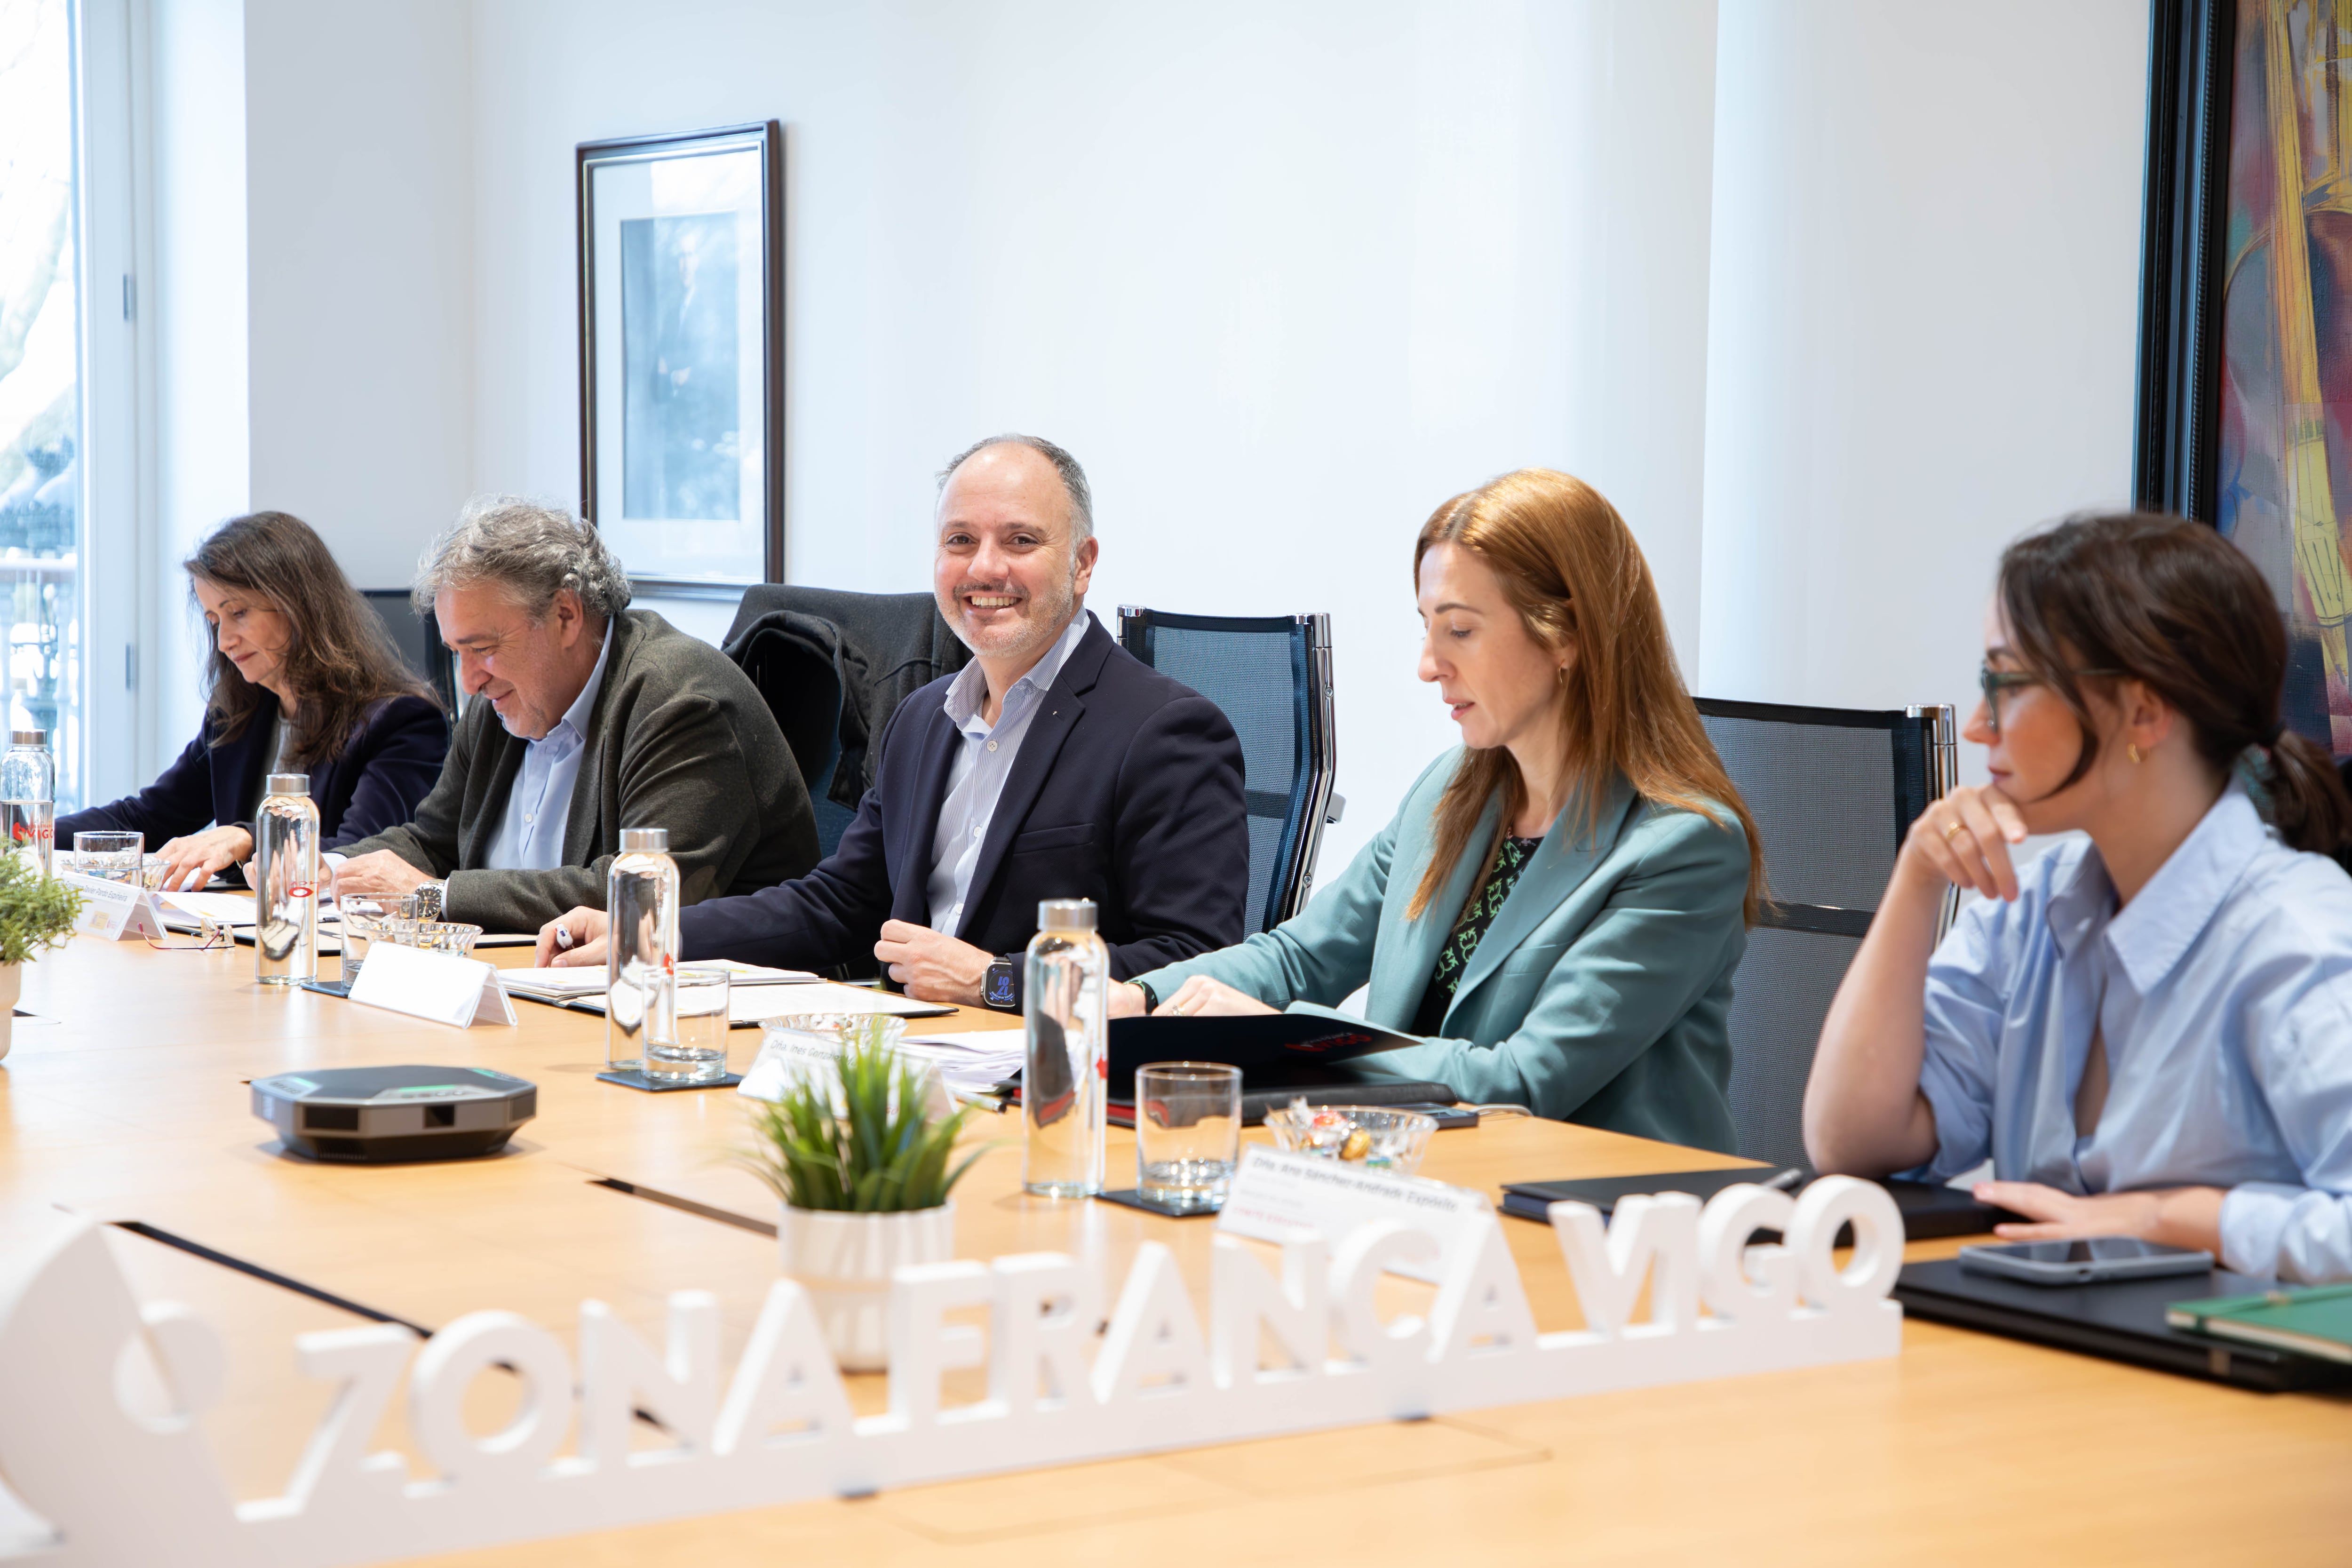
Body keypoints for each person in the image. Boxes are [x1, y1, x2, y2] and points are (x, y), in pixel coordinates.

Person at [1110, 469, 1761, 1148]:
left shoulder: (1683, 846)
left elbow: (1523, 1083)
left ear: (1567, 634)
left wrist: (1287, 1038)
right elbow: (1302, 955)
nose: (1428, 664)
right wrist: (1144, 998)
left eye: (1460, 631)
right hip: (1422, 1180)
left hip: (1593, 1218)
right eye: (1427, 628)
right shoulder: (1451, 791)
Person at [1804, 513, 2352, 1284]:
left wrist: (2168, 1218)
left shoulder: (2299, 939)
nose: (1980, 724)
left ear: (2144, 711)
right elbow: (1853, 1140)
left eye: (2009, 681)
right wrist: (1916, 877)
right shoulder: (2031, 907)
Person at [535, 434, 1249, 1008]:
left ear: (1083, 563)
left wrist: (997, 980)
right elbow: (838, 904)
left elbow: (1194, 962)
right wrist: (656, 929)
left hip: (1042, 1078)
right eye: (961, 541)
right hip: (907, 1053)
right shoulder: (921, 719)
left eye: (1022, 541)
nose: (985, 568)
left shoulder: (1165, 730)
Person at [331, 497, 818, 933]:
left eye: (481, 648)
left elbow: (639, 889)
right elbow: (433, 843)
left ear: (566, 615)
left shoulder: (681, 700)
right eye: (457, 652)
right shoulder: (503, 698)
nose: (469, 681)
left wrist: (434, 898)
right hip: (531, 981)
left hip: (692, 1001)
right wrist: (330, 868)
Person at [56, 511, 447, 890]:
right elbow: (151, 815)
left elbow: (361, 855)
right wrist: (23, 832)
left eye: (238, 613)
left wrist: (246, 836)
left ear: (300, 606)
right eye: (214, 621)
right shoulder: (238, 711)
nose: (224, 641)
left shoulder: (402, 720)